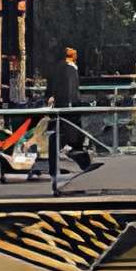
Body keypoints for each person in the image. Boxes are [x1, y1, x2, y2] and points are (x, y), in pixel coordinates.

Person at [47, 46, 102, 175]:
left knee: (68, 136)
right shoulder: (67, 68)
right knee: (69, 136)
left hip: (66, 106)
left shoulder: (63, 67)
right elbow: (69, 89)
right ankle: (81, 164)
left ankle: (78, 164)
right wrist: (72, 104)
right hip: (68, 107)